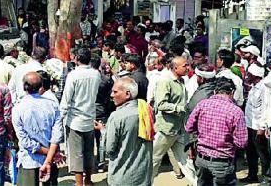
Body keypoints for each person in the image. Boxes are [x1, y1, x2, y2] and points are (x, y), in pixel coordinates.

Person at [186, 77, 248, 186]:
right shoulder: (236, 112)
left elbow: (189, 127)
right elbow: (242, 142)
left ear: (215, 91)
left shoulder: (202, 104)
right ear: (232, 92)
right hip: (222, 162)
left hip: (201, 160)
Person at [98, 77, 154, 186]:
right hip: (143, 175)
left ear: (127, 94)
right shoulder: (147, 110)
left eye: (115, 92)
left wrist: (103, 131)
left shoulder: (117, 117)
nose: (111, 95)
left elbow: (109, 149)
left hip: (122, 175)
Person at [12, 72, 63, 186]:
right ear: (41, 86)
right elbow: (57, 135)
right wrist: (51, 155)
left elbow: (25, 142)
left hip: (29, 162)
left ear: (24, 87)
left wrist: (49, 153)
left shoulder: (18, 108)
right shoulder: (52, 105)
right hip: (50, 161)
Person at [60, 48, 101, 186]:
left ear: (76, 58)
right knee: (89, 152)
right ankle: (88, 181)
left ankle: (79, 183)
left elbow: (66, 99)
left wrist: (60, 117)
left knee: (76, 154)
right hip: (89, 117)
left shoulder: (73, 75)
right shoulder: (96, 74)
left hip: (75, 119)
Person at [152, 56, 196, 185]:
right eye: (185, 66)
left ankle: (196, 183)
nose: (188, 68)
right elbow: (161, 104)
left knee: (185, 160)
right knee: (154, 159)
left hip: (179, 129)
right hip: (166, 129)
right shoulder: (165, 81)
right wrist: (181, 108)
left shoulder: (182, 81)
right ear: (175, 67)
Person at [241, 63, 271, 184]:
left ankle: (267, 178)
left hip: (258, 127)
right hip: (249, 124)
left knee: (262, 154)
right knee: (250, 153)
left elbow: (265, 108)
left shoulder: (264, 89)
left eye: (250, 74)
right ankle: (252, 175)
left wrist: (262, 127)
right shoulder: (254, 87)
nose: (247, 76)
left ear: (255, 75)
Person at [90, 55, 114, 172]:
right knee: (101, 139)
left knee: (89, 139)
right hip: (102, 111)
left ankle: (89, 163)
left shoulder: (87, 79)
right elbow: (111, 97)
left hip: (88, 111)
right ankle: (100, 162)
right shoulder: (106, 80)